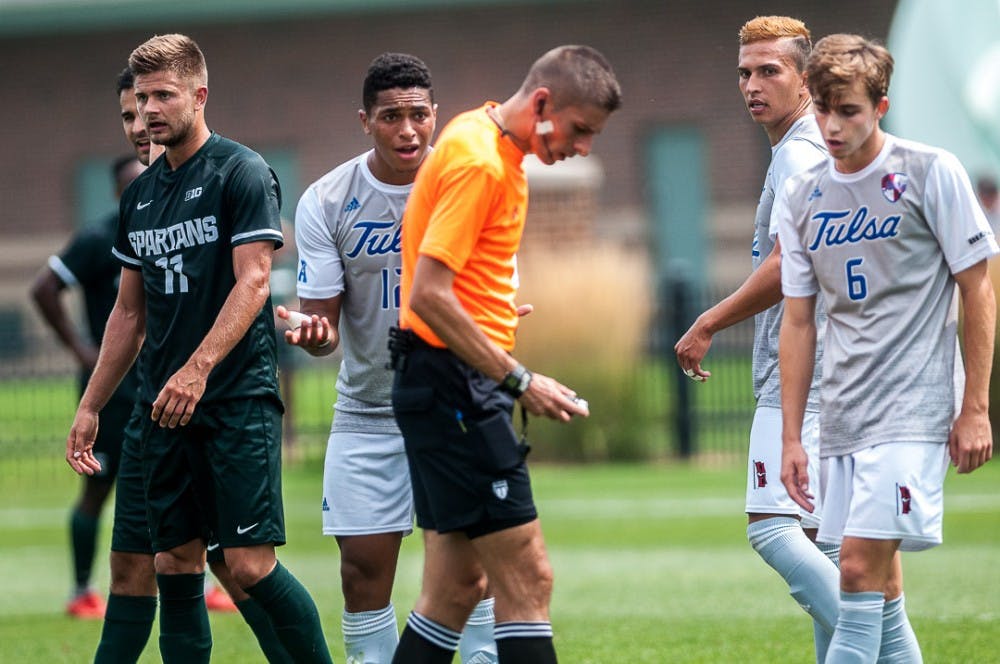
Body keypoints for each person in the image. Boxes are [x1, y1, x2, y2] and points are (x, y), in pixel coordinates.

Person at [65, 34, 332, 663]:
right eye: (141, 98)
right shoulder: (139, 196)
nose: (150, 110)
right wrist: (91, 406)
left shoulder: (241, 171)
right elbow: (127, 314)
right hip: (160, 410)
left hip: (234, 401)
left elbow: (255, 281)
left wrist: (197, 368)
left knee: (247, 567)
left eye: (164, 95)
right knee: (170, 562)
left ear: (199, 95)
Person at [384, 45, 620, 664]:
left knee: (456, 589)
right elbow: (429, 295)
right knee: (528, 578)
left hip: (443, 384)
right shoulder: (480, 161)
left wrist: (489, 319)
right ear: (542, 104)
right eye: (580, 131)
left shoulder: (482, 137)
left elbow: (449, 286)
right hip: (455, 389)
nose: (582, 148)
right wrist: (520, 381)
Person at [777, 33, 997, 662]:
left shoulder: (931, 172)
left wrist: (975, 406)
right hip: (843, 415)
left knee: (854, 570)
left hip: (913, 409)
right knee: (882, 586)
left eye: (847, 109)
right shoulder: (803, 195)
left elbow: (979, 289)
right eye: (821, 108)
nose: (832, 124)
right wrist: (794, 436)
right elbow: (799, 322)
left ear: (881, 106)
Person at [281, 52, 497, 664]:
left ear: (436, 116)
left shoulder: (467, 182)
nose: (407, 130)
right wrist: (314, 336)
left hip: (457, 406)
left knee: (469, 573)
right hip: (368, 411)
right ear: (365, 120)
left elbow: (487, 290)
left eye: (419, 115)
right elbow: (321, 321)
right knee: (361, 572)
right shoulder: (327, 199)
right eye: (391, 116)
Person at [673, 16, 840, 661]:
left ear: (806, 78)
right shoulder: (810, 146)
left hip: (804, 375)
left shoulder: (799, 151)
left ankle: (882, 641)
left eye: (770, 70)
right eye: (744, 72)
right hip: (834, 367)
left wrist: (707, 321)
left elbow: (785, 261)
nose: (752, 84)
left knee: (772, 529)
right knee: (822, 542)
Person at [30, 154, 144, 619]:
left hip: (163, 385)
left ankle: (202, 583)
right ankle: (82, 591)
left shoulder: (169, 235)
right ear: (118, 193)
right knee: (99, 488)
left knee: (184, 483)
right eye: (132, 186)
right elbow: (43, 288)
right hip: (112, 392)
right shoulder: (100, 239)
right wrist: (82, 351)